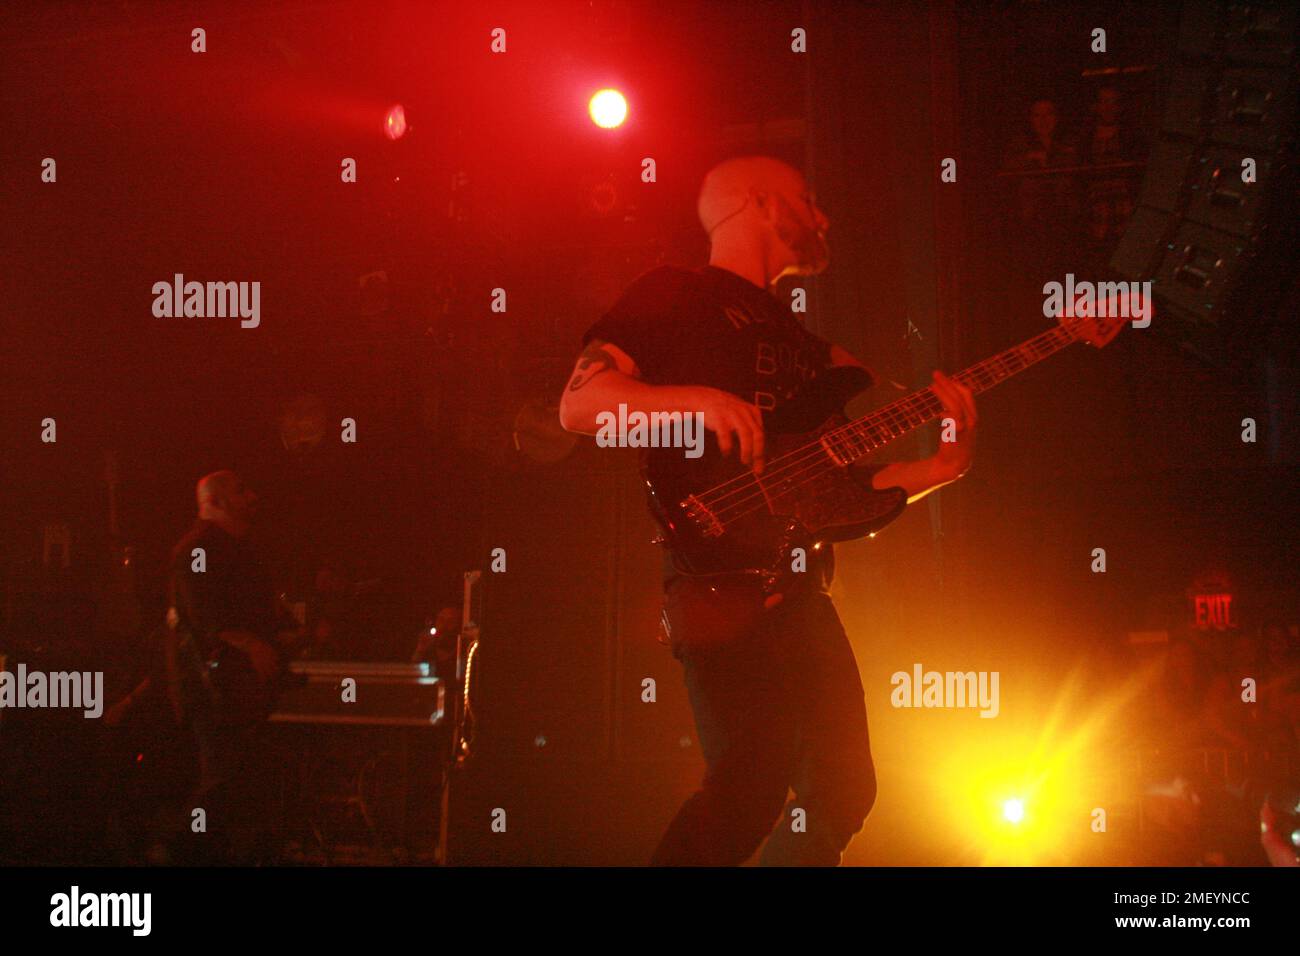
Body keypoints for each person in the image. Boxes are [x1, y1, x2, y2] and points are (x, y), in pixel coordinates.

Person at [558, 155, 978, 865]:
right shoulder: (674, 293)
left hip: (802, 582)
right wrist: (696, 400)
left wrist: (942, 465)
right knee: (751, 780)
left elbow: (840, 479)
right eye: (807, 198)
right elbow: (581, 407)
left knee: (844, 790)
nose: (824, 216)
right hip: (714, 572)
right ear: (757, 203)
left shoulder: (809, 345)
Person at [167, 470, 299, 863]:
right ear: (216, 501)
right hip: (213, 689)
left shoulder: (238, 549)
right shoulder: (199, 549)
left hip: (237, 688)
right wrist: (253, 644)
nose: (252, 496)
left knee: (239, 781)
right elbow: (206, 618)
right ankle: (180, 850)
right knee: (222, 778)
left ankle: (209, 852)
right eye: (241, 490)